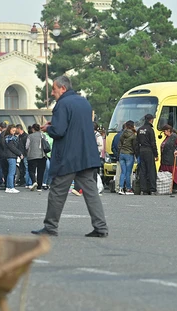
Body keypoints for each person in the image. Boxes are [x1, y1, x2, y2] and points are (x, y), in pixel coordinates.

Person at [31, 75, 108, 238]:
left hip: (68, 156)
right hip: (87, 154)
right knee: (91, 192)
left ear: (63, 88)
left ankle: (50, 226)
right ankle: (101, 227)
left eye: (54, 89)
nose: (52, 93)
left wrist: (48, 129)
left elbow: (59, 131)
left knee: (57, 191)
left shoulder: (62, 104)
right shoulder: (84, 102)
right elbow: (76, 125)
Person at [136, 114, 159, 195]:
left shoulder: (139, 129)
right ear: (151, 120)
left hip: (141, 151)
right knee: (151, 170)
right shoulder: (150, 130)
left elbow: (136, 142)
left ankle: (143, 190)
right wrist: (156, 154)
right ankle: (152, 189)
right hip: (149, 151)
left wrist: (137, 153)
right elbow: (153, 143)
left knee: (143, 171)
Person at [159, 124, 177, 194]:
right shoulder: (167, 137)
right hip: (165, 159)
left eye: (164, 131)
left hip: (172, 159)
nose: (164, 133)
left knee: (174, 173)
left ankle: (174, 188)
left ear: (168, 130)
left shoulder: (174, 137)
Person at [26, 123, 48, 192]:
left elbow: (27, 146)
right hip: (42, 155)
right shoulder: (43, 135)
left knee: (31, 170)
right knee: (40, 171)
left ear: (33, 129)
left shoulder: (30, 136)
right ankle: (39, 187)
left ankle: (34, 181)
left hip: (32, 156)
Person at [117, 120, 137, 195]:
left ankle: (121, 188)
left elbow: (120, 144)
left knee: (123, 172)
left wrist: (119, 153)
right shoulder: (133, 135)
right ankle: (128, 189)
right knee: (128, 173)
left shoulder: (123, 134)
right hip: (129, 154)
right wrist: (136, 154)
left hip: (122, 154)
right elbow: (134, 146)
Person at [4, 124, 23, 193]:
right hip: (11, 156)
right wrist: (19, 153)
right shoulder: (10, 138)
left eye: (15, 130)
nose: (14, 132)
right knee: (12, 172)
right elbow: (12, 148)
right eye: (13, 130)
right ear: (9, 130)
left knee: (10, 172)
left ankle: (9, 187)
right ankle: (11, 187)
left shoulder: (7, 137)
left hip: (10, 156)